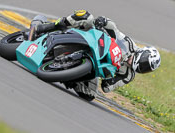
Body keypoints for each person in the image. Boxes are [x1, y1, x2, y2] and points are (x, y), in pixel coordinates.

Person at [27, 10, 161, 94]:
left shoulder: (128, 75)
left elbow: (108, 88)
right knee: (86, 16)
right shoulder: (129, 44)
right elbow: (115, 31)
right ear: (143, 53)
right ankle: (47, 27)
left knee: (89, 94)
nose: (142, 68)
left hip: (95, 66)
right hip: (94, 43)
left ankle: (67, 75)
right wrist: (104, 22)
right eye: (144, 64)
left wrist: (109, 79)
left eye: (146, 69)